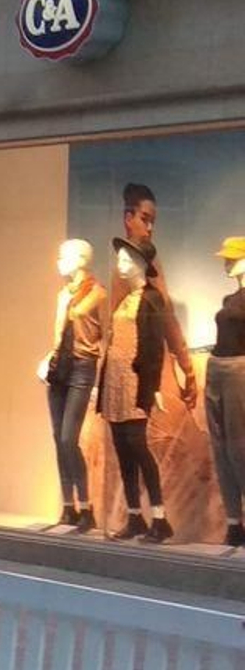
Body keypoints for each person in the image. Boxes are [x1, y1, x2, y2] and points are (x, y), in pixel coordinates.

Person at [97, 238, 173, 544]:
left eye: (128, 259)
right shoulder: (126, 299)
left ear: (142, 264)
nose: (121, 265)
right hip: (115, 383)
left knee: (139, 447)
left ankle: (159, 517)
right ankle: (133, 516)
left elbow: (154, 347)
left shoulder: (151, 299)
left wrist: (152, 387)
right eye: (120, 259)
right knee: (122, 451)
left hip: (135, 382)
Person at [37, 239, 103, 534]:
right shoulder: (62, 294)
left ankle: (87, 507)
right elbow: (59, 334)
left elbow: (100, 335)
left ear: (81, 259)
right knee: (56, 437)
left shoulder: (98, 294)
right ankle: (68, 506)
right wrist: (48, 358)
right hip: (59, 368)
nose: (59, 260)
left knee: (68, 438)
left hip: (82, 367)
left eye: (64, 255)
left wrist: (100, 382)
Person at [114, 183, 197, 408]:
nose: (149, 228)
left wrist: (186, 365)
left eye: (152, 222)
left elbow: (166, 313)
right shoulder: (126, 265)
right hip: (133, 366)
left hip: (148, 361)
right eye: (144, 218)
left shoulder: (147, 262)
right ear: (128, 218)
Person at [205, 237, 245, 548]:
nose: (226, 262)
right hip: (216, 367)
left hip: (238, 370)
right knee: (219, 447)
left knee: (238, 447)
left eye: (232, 257)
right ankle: (233, 522)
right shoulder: (228, 298)